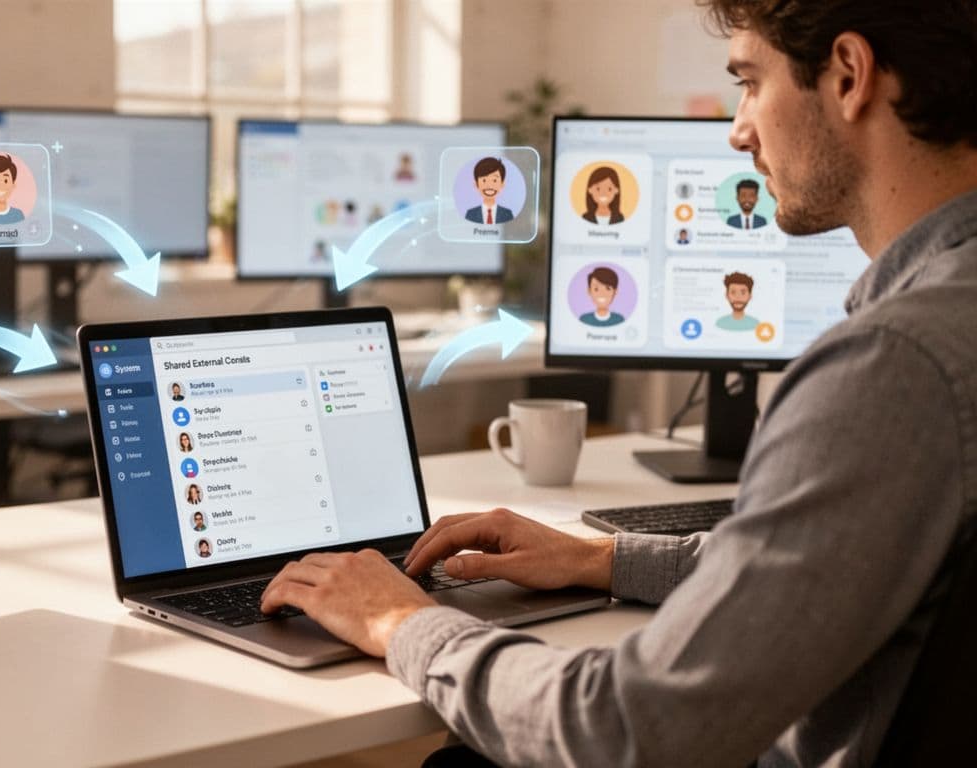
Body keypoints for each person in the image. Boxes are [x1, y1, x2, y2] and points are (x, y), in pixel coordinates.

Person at [260, 2, 977, 765]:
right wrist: (596, 559)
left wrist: (397, 622)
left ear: (848, 75)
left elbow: (628, 730)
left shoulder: (892, 367)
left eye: (749, 82)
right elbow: (829, 570)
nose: (739, 130)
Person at [464, 157, 514, 225]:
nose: (489, 186)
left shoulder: (507, 214)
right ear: (476, 184)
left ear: (502, 184)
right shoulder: (470, 214)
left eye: (494, 180)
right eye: (484, 180)